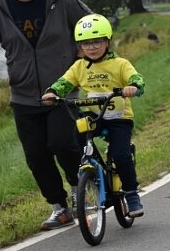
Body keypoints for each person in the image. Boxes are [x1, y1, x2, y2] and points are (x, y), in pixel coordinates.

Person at [0, 0, 90, 230]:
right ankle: (59, 207)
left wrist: (81, 55)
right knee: (36, 156)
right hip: (23, 95)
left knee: (63, 143)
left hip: (63, 90)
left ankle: (80, 190)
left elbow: (90, 24)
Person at [42, 14, 145, 217]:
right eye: (85, 43)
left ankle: (132, 194)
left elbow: (137, 79)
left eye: (96, 41)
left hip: (119, 118)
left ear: (107, 41)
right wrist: (53, 93)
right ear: (80, 46)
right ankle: (89, 168)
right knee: (76, 130)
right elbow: (64, 82)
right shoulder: (79, 66)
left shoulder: (120, 64)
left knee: (121, 155)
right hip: (94, 115)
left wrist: (133, 86)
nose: (91, 47)